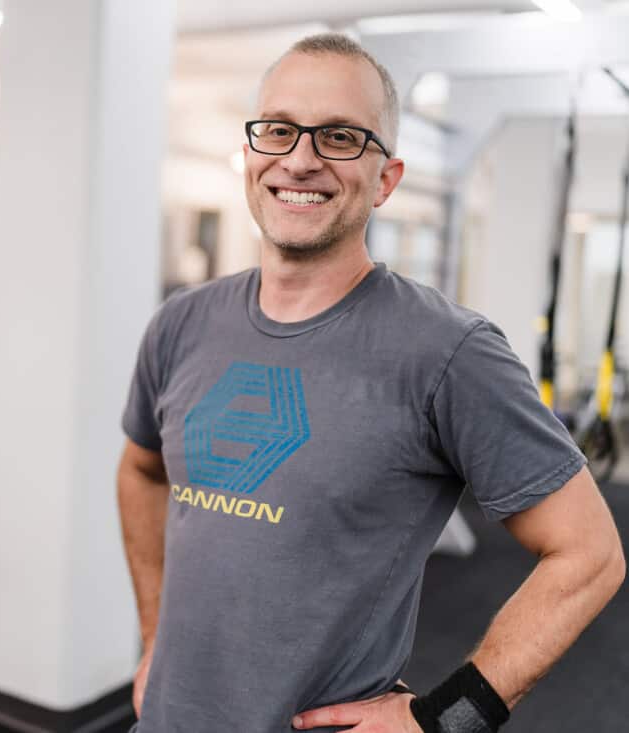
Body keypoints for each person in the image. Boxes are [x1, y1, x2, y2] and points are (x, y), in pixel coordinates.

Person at [118, 33, 624, 733]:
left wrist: (446, 719)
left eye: (340, 137)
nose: (300, 158)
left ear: (386, 177)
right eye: (280, 129)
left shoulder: (450, 353)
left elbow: (591, 553)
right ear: (251, 152)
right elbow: (141, 470)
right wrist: (154, 640)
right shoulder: (180, 325)